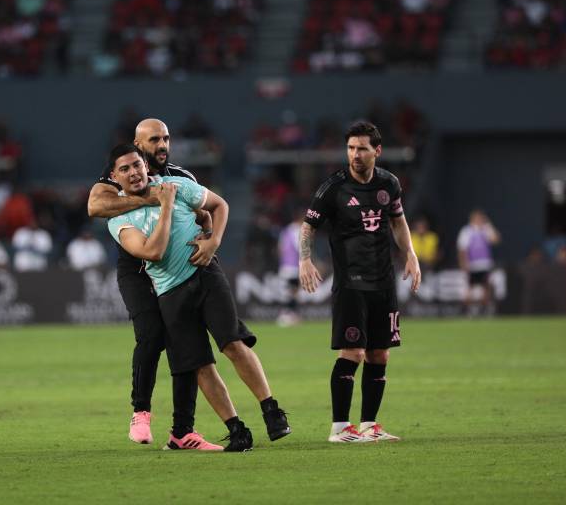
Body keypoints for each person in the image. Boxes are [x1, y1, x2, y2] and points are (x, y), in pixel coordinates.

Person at [107, 143, 292, 451]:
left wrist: (213, 240)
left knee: (233, 344)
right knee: (200, 364)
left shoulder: (177, 184)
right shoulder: (117, 218)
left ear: (145, 165)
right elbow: (153, 251)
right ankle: (236, 429)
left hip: (205, 276)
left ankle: (271, 410)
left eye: (136, 165)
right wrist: (166, 207)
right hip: (169, 292)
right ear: (114, 176)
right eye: (124, 169)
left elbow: (219, 205)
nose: (133, 172)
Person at [88, 119, 249, 450]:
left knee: (183, 347)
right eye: (153, 139)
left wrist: (208, 236)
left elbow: (207, 213)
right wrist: (150, 200)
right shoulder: (118, 175)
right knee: (151, 336)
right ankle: (141, 412)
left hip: (176, 270)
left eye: (165, 138)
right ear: (138, 144)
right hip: (137, 268)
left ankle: (182, 431)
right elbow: (95, 206)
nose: (161, 145)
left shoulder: (179, 178)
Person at [299, 121, 421, 443]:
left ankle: (369, 425)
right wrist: (304, 258)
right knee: (352, 351)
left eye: (362, 148)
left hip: (384, 282)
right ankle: (339, 428)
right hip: (351, 283)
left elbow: (398, 221)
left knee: (380, 354)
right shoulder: (333, 188)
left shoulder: (389, 184)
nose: (355, 154)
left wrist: (410, 253)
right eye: (351, 148)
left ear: (376, 151)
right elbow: (309, 226)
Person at [456, 209, 501, 316]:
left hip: (485, 264)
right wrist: (463, 263)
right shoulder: (467, 231)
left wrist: (489, 225)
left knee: (486, 287)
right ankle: (464, 310)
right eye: (477, 218)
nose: (479, 220)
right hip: (472, 265)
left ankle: (483, 310)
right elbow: (462, 249)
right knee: (469, 288)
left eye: (480, 218)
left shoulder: (485, 229)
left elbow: (496, 240)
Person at [276, 209, 304, 327]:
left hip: (285, 266)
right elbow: (300, 248)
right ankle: (289, 315)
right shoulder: (297, 230)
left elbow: (279, 248)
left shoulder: (286, 230)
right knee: (293, 291)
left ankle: (289, 314)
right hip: (293, 267)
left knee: (290, 291)